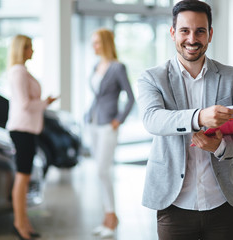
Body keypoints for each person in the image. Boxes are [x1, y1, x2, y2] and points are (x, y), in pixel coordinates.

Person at [137, 1, 233, 240]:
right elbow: (152, 120)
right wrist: (199, 116)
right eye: (184, 30)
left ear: (210, 34)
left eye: (200, 31)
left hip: (222, 203)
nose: (192, 39)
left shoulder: (231, 77)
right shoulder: (152, 78)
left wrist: (221, 146)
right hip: (174, 204)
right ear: (173, 32)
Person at [6, 34, 57, 240]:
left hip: (27, 130)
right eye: (30, 47)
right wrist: (45, 102)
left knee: (25, 177)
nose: (33, 51)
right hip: (22, 130)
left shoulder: (22, 71)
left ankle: (24, 221)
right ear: (22, 49)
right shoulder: (18, 72)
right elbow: (25, 104)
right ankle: (19, 224)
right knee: (22, 177)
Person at [86, 28, 135, 238]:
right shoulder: (96, 65)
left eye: (96, 42)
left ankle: (111, 216)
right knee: (100, 172)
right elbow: (97, 96)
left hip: (108, 125)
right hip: (92, 123)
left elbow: (131, 98)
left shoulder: (117, 68)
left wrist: (119, 120)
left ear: (105, 43)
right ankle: (107, 217)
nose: (93, 46)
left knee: (102, 171)